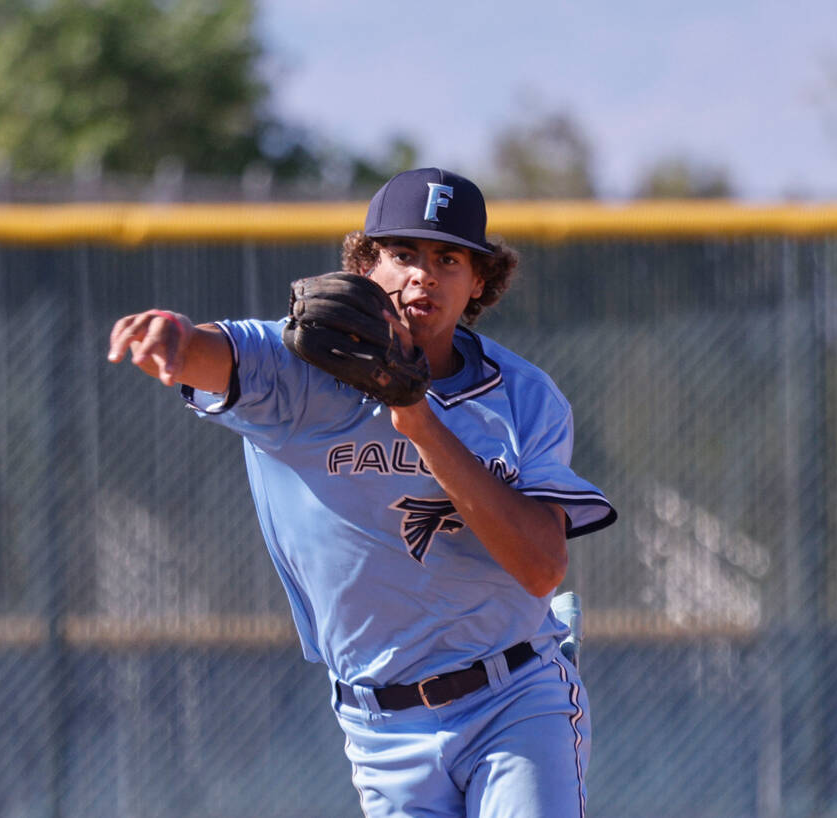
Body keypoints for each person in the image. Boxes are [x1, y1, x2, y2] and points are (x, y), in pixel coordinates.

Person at [107, 167, 617, 818]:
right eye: (402, 253)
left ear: (480, 281)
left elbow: (542, 565)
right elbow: (216, 355)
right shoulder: (301, 371)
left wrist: (417, 415)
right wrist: (175, 339)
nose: (422, 276)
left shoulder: (523, 398)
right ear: (364, 264)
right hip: (381, 729)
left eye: (448, 258)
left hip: (514, 699)